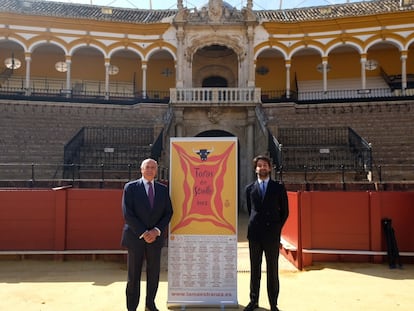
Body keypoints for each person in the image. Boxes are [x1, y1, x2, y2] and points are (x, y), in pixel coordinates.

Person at [121, 158, 173, 311]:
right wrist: (144, 233)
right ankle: (131, 307)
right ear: (141, 170)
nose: (150, 170)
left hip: (155, 239)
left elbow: (168, 212)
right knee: (133, 275)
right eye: (147, 167)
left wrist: (156, 231)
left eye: (153, 167)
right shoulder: (130, 188)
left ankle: (150, 304)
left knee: (154, 274)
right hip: (136, 237)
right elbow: (128, 214)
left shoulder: (163, 189)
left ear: (156, 171)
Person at [244, 155, 289, 311]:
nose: (262, 168)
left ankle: (273, 303)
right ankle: (253, 300)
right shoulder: (249, 188)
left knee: (272, 269)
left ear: (270, 168)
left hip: (271, 235)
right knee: (255, 268)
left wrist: (276, 228)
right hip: (255, 234)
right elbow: (251, 210)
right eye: (259, 165)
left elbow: (285, 212)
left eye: (265, 165)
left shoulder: (278, 188)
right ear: (255, 169)